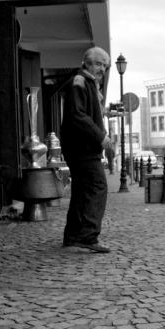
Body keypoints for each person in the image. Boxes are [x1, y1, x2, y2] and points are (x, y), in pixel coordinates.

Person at [60, 46, 112, 253]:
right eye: (99, 64)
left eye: (105, 66)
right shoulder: (80, 81)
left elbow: (82, 115)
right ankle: (88, 237)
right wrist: (101, 137)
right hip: (83, 148)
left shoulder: (87, 83)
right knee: (97, 187)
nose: (102, 69)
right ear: (87, 62)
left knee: (81, 191)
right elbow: (78, 116)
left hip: (80, 147)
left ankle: (73, 236)